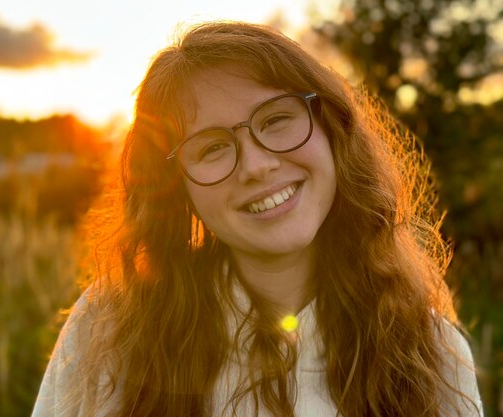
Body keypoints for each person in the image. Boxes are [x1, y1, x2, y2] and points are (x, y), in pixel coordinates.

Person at [32, 21, 484, 417]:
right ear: (178, 190)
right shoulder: (112, 331)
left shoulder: (431, 353)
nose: (256, 165)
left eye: (276, 120)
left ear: (331, 127)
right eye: (211, 147)